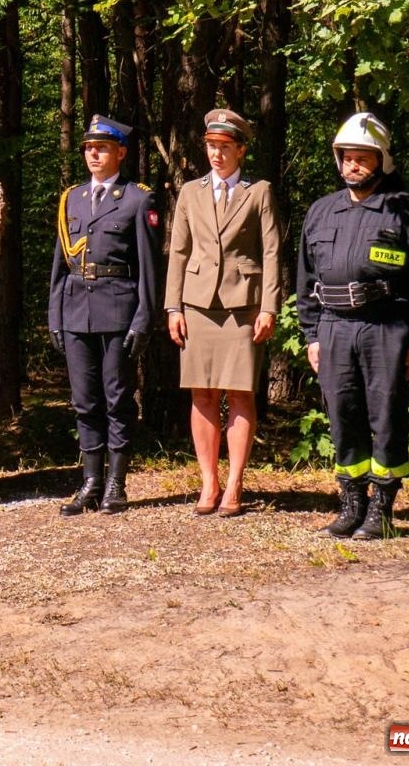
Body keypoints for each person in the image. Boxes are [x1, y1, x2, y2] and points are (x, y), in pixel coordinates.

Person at [297, 112, 409, 540]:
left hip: (385, 328)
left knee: (386, 414)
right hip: (334, 327)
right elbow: (305, 278)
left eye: (363, 158)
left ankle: (382, 505)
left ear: (381, 161)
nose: (353, 166)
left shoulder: (404, 211)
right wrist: (311, 334)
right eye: (347, 158)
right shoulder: (321, 212)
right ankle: (351, 501)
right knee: (342, 413)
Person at [164, 108, 284, 517]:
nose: (216, 154)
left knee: (239, 393)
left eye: (224, 147)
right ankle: (208, 483)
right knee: (202, 393)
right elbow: (178, 252)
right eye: (211, 146)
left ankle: (234, 485)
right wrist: (172, 307)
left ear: (241, 150)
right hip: (197, 305)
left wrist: (269, 306)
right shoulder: (190, 192)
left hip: (242, 307)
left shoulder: (259, 192)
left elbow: (271, 252)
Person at [48, 115, 160, 516]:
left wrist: (144, 318)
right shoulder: (71, 199)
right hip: (77, 310)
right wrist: (55, 315)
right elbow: (61, 265)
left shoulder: (137, 199)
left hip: (118, 310)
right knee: (84, 401)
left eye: (102, 148)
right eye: (88, 148)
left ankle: (116, 483)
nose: (93, 154)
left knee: (116, 398)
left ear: (121, 153)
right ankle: (90, 482)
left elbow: (149, 267)